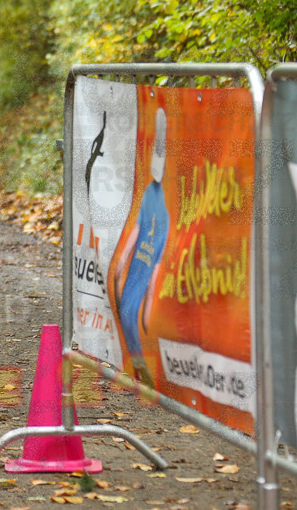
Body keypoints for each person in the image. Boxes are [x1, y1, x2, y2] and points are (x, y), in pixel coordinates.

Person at [113, 107, 170, 386]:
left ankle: (142, 370)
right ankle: (138, 368)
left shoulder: (162, 211)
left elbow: (156, 264)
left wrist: (149, 297)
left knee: (128, 314)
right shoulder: (150, 194)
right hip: (137, 271)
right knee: (126, 314)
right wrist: (123, 262)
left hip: (142, 273)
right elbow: (137, 230)